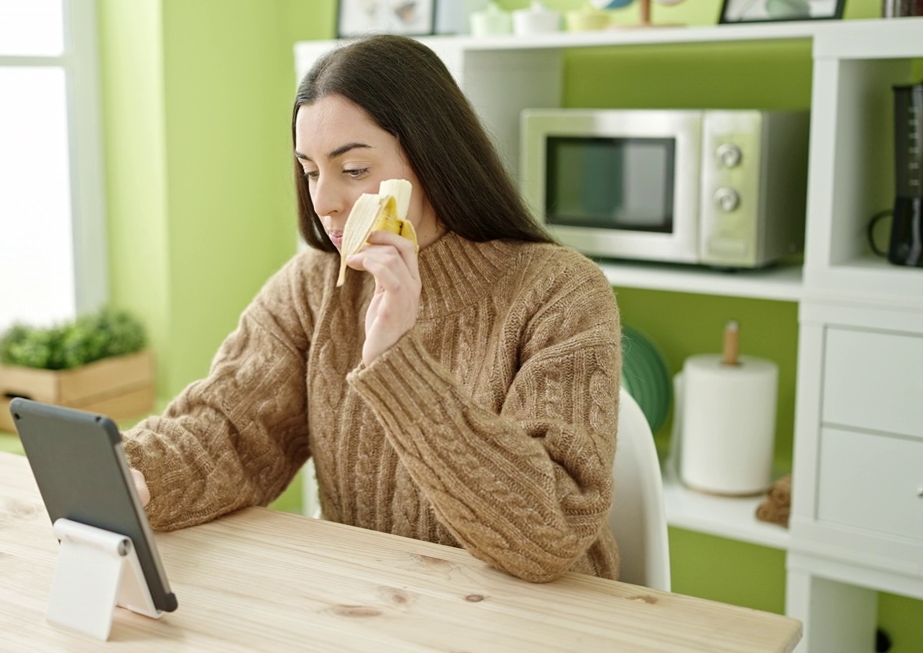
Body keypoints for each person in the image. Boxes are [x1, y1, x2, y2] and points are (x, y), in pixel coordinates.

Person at [124, 34, 621, 583]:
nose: (324, 202)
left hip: (544, 620)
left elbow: (548, 532)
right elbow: (234, 433)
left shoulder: (561, 293)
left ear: (433, 157)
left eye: (354, 170)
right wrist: (135, 470)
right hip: (371, 604)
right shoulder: (314, 286)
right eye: (311, 171)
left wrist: (398, 362)